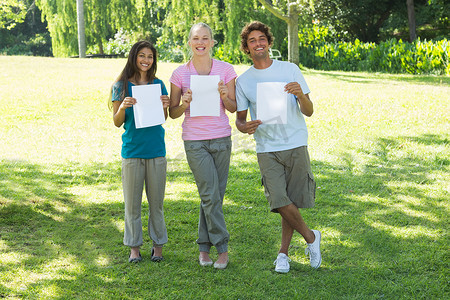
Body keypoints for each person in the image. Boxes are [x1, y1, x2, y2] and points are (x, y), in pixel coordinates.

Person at [235, 21, 322, 273]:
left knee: (291, 201)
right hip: (266, 146)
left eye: (262, 38)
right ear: (246, 48)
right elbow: (240, 119)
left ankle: (283, 254)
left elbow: (309, 111)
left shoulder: (290, 69)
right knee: (279, 199)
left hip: (295, 142)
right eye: (252, 41)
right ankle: (311, 237)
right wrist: (245, 126)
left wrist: (300, 95)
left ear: (269, 42)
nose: (258, 43)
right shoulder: (244, 81)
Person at [169, 23, 237, 269]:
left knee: (213, 196)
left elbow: (232, 107)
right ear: (189, 42)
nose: (200, 42)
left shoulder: (226, 70)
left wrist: (223, 96)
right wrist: (185, 102)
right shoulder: (179, 74)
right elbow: (173, 113)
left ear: (212, 42)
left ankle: (203, 247)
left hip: (221, 138)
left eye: (205, 38)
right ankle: (222, 248)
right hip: (195, 141)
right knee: (210, 195)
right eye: (196, 38)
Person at [111, 41, 169, 263]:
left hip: (156, 151)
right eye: (142, 55)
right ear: (134, 57)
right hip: (132, 152)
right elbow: (117, 123)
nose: (146, 60)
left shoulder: (159, 84)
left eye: (150, 56)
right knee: (132, 204)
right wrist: (123, 107)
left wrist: (165, 104)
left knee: (157, 203)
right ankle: (134, 247)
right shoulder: (121, 86)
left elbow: (162, 118)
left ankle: (158, 245)